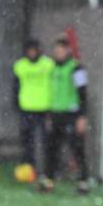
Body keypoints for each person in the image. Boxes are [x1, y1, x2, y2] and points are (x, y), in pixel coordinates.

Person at [43, 38, 89, 194]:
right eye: (56, 51)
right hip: (56, 113)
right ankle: (49, 180)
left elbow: (83, 93)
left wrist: (82, 116)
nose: (57, 53)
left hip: (71, 114)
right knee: (52, 149)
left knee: (77, 149)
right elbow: (51, 92)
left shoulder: (76, 68)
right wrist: (49, 114)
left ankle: (83, 181)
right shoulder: (52, 68)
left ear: (68, 50)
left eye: (60, 50)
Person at [13, 39, 55, 178]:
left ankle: (48, 171)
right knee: (27, 142)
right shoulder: (20, 66)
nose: (32, 53)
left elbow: (55, 85)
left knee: (47, 141)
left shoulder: (48, 64)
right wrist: (16, 104)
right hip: (26, 108)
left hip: (45, 109)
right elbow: (15, 86)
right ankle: (29, 170)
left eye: (34, 50)